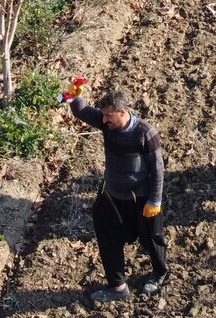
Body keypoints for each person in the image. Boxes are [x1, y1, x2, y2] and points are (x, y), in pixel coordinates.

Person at [65, 89, 168, 302]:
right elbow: (83, 111)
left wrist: (154, 201)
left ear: (122, 112)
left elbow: (157, 169)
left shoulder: (145, 133)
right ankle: (118, 286)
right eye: (103, 115)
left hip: (139, 199)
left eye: (108, 115)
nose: (103, 120)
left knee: (151, 238)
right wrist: (74, 97)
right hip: (112, 196)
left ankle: (159, 272)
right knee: (107, 238)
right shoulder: (107, 123)